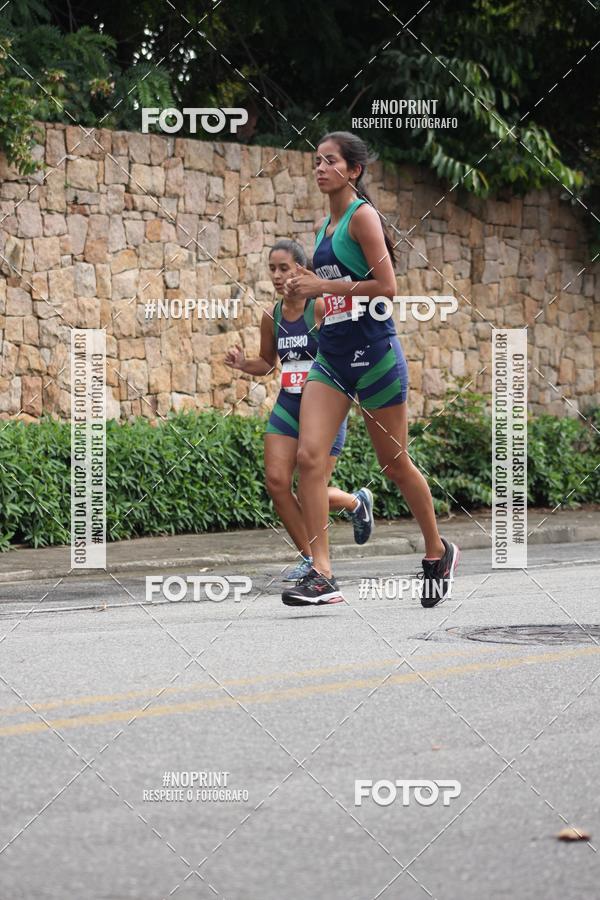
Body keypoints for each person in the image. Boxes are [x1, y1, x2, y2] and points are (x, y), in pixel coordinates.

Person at [280, 132, 459, 608]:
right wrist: (309, 293)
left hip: (375, 355)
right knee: (309, 459)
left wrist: (323, 285)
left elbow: (387, 286)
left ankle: (437, 551)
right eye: (316, 161)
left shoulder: (362, 217)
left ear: (354, 170)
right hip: (333, 357)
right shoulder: (324, 227)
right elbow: (334, 289)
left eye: (330, 161)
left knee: (395, 464)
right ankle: (322, 572)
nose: (320, 168)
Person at [225, 238, 374, 582]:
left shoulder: (320, 308)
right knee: (277, 482)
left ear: (301, 270)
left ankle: (354, 503)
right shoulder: (272, 316)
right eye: (272, 269)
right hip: (289, 405)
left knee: (311, 492)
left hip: (324, 407)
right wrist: (242, 364)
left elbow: (351, 344)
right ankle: (310, 558)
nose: (277, 276)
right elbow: (267, 362)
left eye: (284, 268)